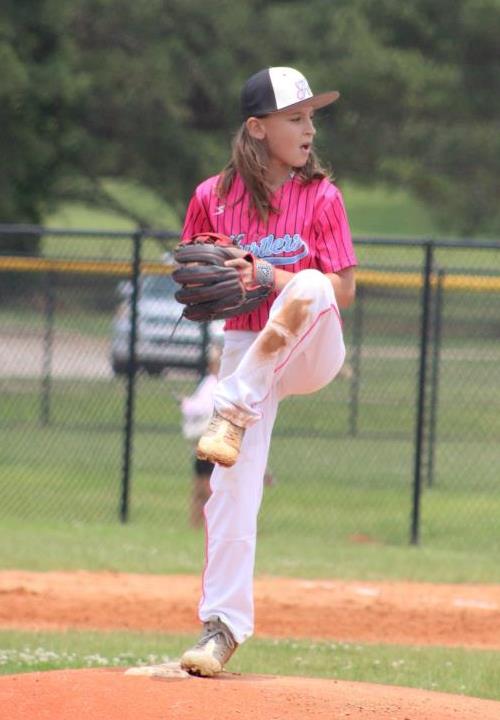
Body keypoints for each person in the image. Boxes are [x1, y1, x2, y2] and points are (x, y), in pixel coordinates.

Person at [179, 66, 357, 677]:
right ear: (257, 128)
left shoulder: (322, 196)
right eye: (295, 118)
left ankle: (231, 410)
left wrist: (266, 275)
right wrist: (211, 281)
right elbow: (194, 274)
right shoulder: (212, 196)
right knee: (231, 490)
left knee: (311, 283)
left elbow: (343, 289)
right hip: (246, 345)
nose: (310, 129)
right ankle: (221, 628)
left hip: (310, 345)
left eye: (311, 117)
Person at [179, 344, 221, 528]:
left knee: (205, 487)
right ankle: (196, 525)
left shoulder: (213, 384)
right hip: (209, 439)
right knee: (200, 486)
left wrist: (185, 403)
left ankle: (208, 524)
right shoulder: (212, 383)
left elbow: (200, 408)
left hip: (212, 439)